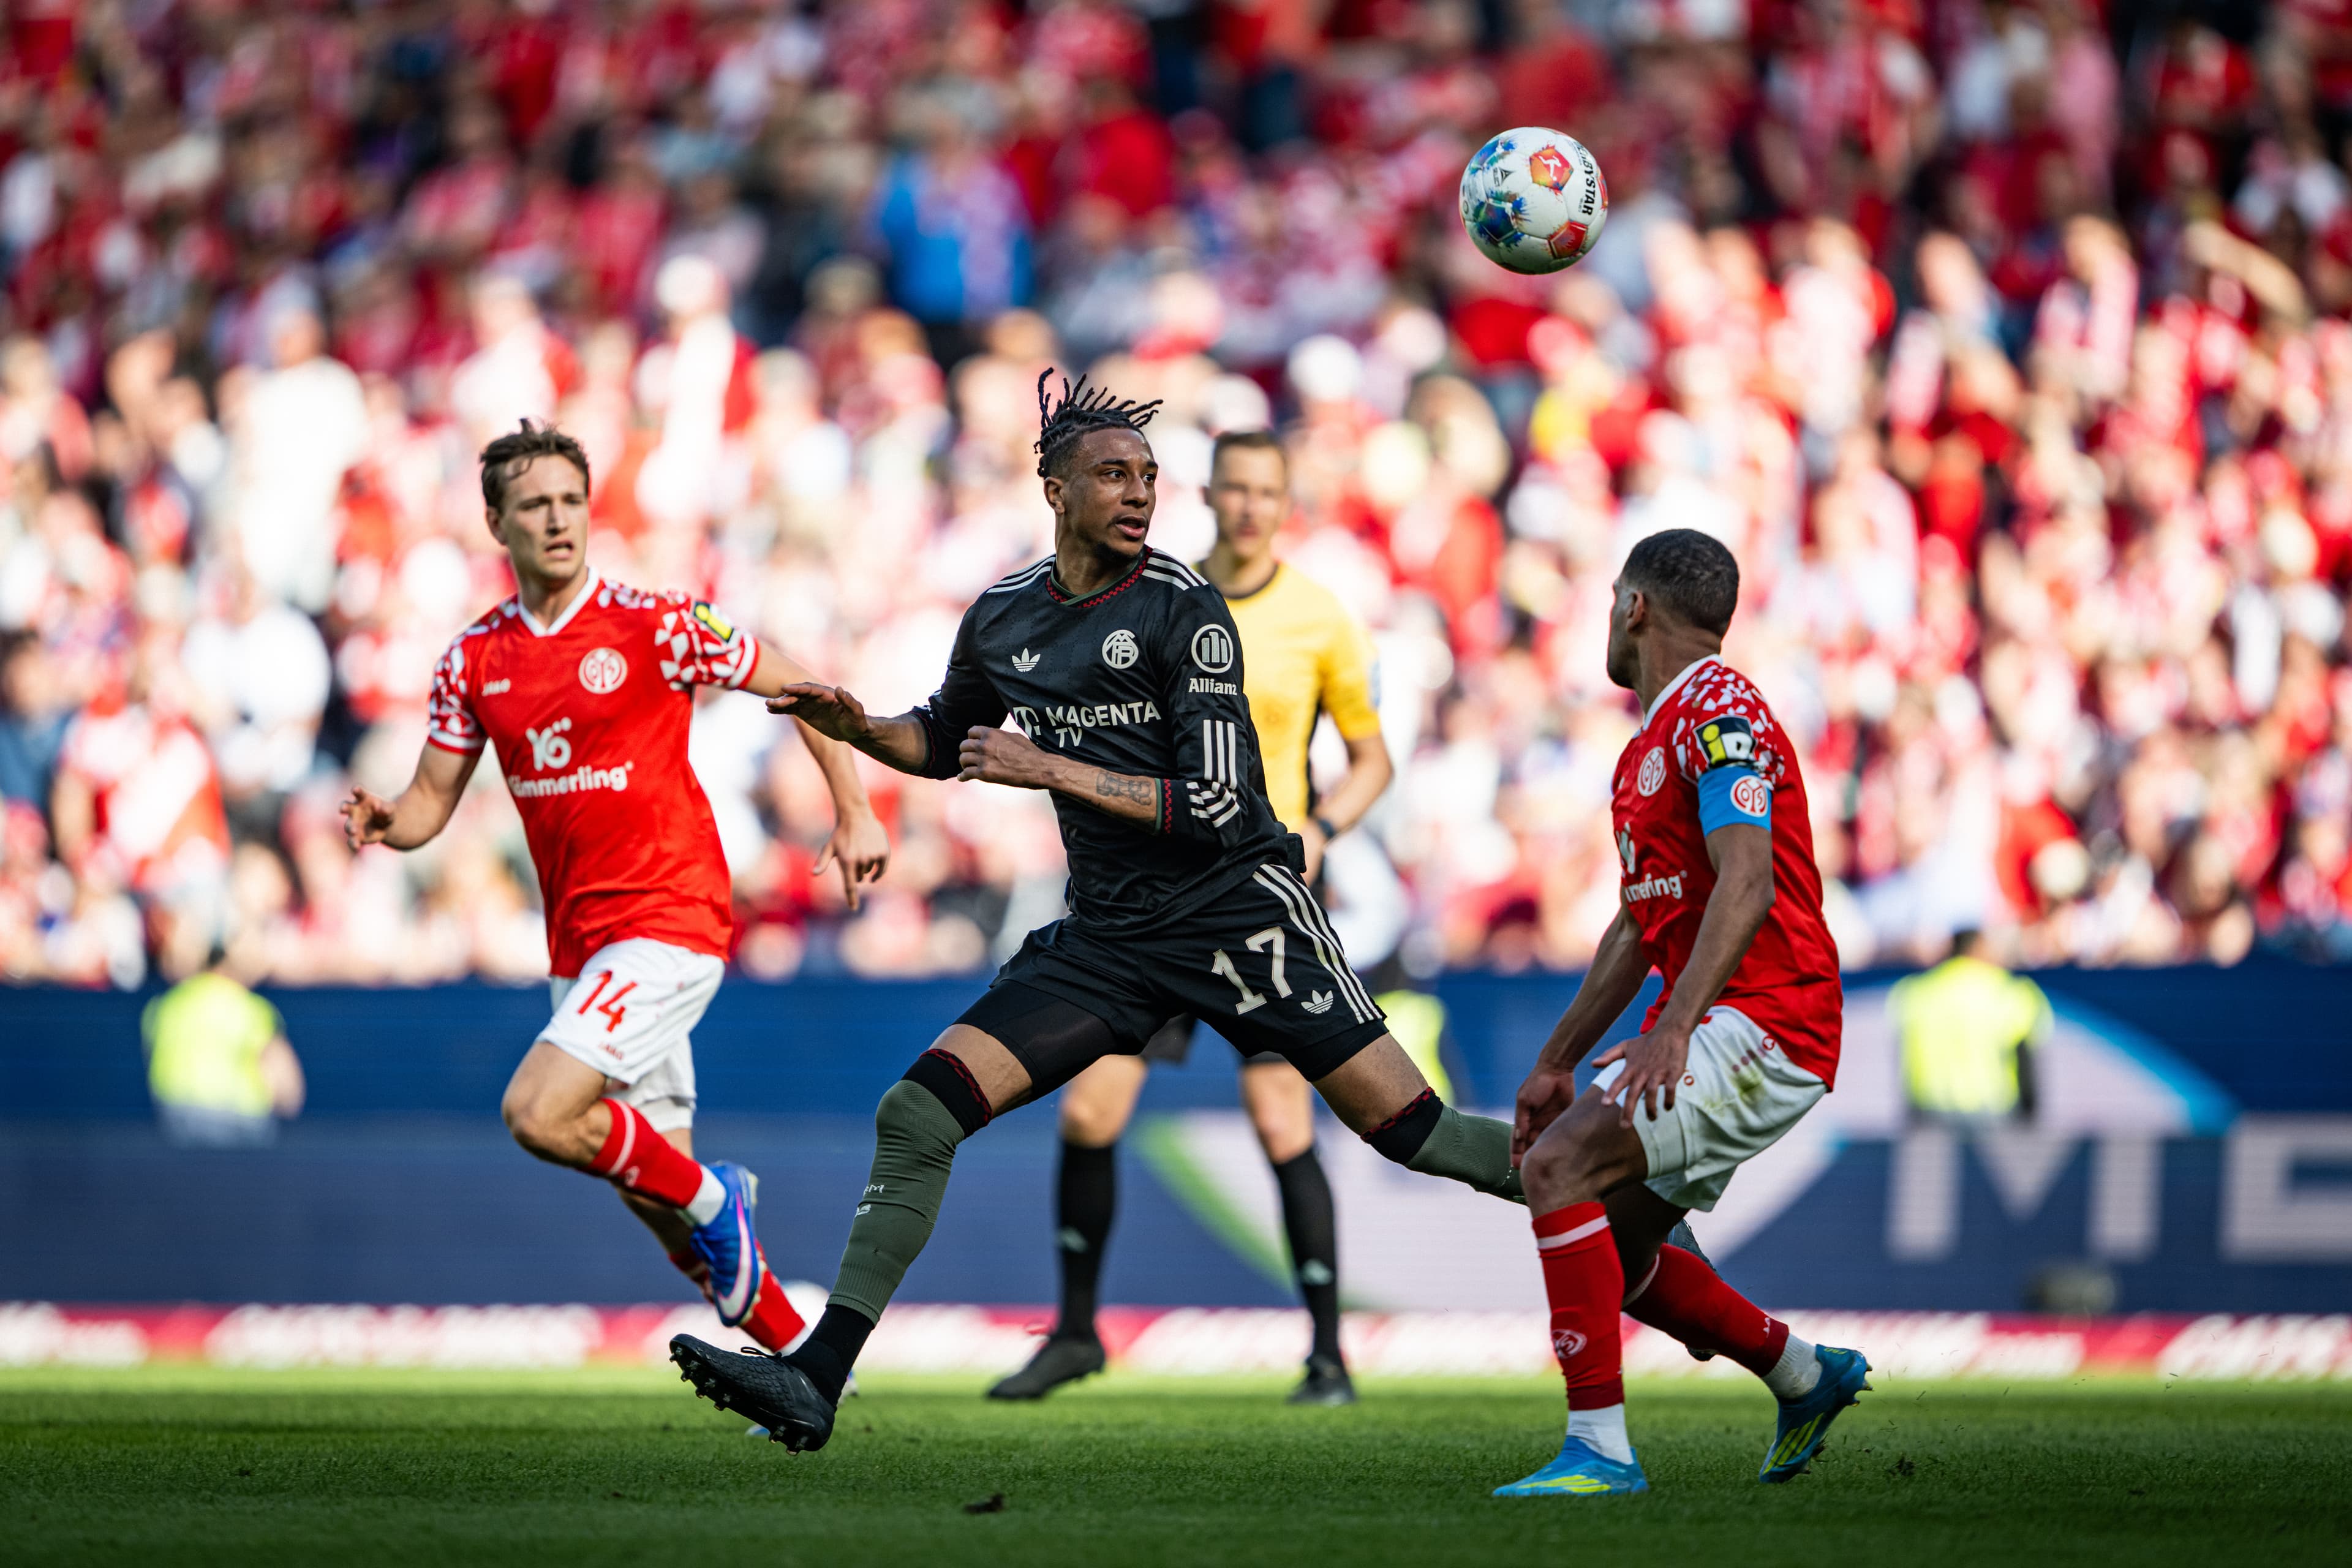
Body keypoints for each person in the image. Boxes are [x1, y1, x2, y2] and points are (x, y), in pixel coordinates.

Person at [668, 374, 1525, 1452]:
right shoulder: (1004, 615)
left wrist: (1050, 768)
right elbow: (945, 736)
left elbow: (1221, 807)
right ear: (1055, 490)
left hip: (1238, 917)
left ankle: (1610, 1193)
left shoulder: (1183, 608)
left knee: (1418, 1135)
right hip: (1112, 938)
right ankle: (817, 1379)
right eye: (1114, 475)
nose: (1139, 493)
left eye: (1149, 477)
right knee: (919, 1112)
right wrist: (864, 729)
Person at [340, 421, 890, 1351]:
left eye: (571, 501)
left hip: (670, 920)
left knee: (538, 1112)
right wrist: (389, 821)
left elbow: (804, 687)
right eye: (535, 505)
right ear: (496, 524)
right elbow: (431, 802)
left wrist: (855, 808)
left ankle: (719, 1196)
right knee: (663, 1209)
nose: (559, 520)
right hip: (581, 945)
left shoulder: (654, 623)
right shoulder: (473, 661)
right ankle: (805, 1363)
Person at [987, 428, 1393, 1407]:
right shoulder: (1152, 595)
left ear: (1286, 503)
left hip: (1255, 894)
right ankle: (1075, 1335)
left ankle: (1328, 1354)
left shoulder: (1320, 619)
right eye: (1235, 488)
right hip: (1147, 895)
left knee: (1280, 1113)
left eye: (1268, 492)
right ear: (1208, 495)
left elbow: (1371, 757)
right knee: (1091, 1106)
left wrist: (1324, 828)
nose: (1250, 506)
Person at [1498, 529, 1869, 1499]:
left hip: (1770, 1019)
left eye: (1609, 602)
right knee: (1618, 1254)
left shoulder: (1720, 712)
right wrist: (1555, 1060)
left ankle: (1599, 1453)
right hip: (1725, 1020)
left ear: (1634, 607)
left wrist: (1673, 1029)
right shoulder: (1646, 749)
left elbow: (1747, 881)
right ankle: (1805, 1377)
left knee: (1557, 1168)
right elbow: (1638, 924)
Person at [142, 954, 304, 1145]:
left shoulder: (167, 1005)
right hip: (240, 1120)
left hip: (177, 1117)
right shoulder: (251, 1007)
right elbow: (286, 1084)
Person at [1890, 929, 2051, 1121]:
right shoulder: (2010, 991)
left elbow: (1904, 1058)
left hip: (1930, 1109)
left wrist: (1911, 1112)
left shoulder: (1917, 992)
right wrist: (2029, 1110)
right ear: (1978, 947)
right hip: (1992, 1108)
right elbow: (2024, 1056)